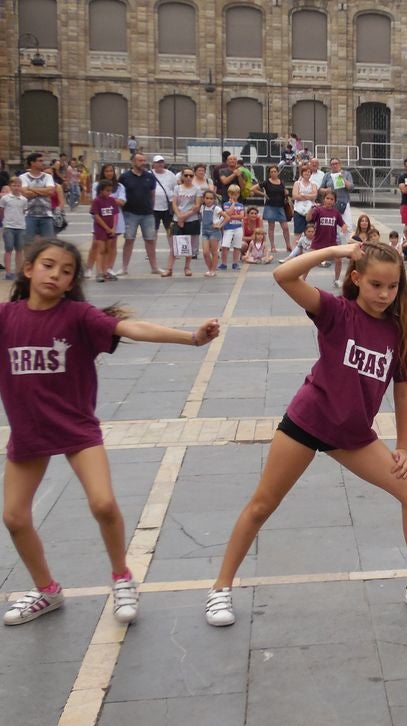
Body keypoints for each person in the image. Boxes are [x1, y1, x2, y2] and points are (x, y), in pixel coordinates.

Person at [205, 241, 407, 626]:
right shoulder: (336, 313)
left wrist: (403, 448)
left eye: (392, 287)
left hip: (354, 435)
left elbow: (404, 387)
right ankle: (220, 589)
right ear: (356, 279)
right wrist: (339, 250)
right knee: (262, 504)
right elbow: (283, 275)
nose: (384, 294)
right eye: (376, 285)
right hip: (309, 421)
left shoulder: (398, 330)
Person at [2, 239, 220, 626]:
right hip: (28, 433)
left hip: (76, 429)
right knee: (15, 518)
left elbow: (131, 327)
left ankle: (122, 577)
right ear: (28, 268)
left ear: (72, 282)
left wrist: (191, 338)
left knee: (102, 504)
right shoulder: (6, 317)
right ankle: (46, 590)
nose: (55, 274)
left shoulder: (78, 316)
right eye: (48, 266)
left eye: (66, 271)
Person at [162, 166, 201, 277]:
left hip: (191, 219)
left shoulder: (196, 189)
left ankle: (187, 267)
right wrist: (179, 216)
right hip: (177, 218)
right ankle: (169, 269)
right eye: (186, 175)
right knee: (174, 246)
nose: (188, 177)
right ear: (182, 176)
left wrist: (183, 217)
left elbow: (197, 206)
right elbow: (174, 203)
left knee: (189, 246)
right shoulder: (177, 188)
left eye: (191, 175)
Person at [307, 190, 347, 284]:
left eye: (331, 199)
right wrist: (310, 210)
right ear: (323, 199)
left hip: (331, 242)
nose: (329, 201)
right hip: (318, 241)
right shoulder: (318, 210)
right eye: (327, 198)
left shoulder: (336, 213)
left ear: (335, 201)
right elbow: (308, 219)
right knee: (308, 261)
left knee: (338, 260)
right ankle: (302, 278)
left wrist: (344, 228)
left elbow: (342, 224)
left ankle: (337, 280)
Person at [18, 153, 57, 246]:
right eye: (40, 161)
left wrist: (31, 188)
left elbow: (51, 191)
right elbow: (26, 194)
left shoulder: (48, 177)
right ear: (32, 163)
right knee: (28, 243)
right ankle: (28, 260)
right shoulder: (23, 177)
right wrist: (43, 190)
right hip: (29, 214)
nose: (42, 163)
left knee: (49, 243)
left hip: (46, 214)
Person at [87, 182, 120, 283]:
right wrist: (106, 228)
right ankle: (99, 272)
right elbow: (96, 216)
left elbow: (115, 213)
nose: (109, 193)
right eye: (107, 190)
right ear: (101, 190)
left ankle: (106, 271)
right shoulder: (97, 201)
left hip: (111, 228)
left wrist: (114, 227)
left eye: (110, 191)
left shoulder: (111, 200)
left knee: (108, 250)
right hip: (100, 229)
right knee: (100, 250)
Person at [150, 156, 179, 255]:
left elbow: (175, 189)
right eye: (157, 162)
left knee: (170, 230)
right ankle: (150, 252)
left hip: (168, 207)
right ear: (153, 163)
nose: (159, 164)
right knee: (153, 231)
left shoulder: (170, 174)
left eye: (161, 162)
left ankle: (173, 250)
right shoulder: (149, 174)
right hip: (153, 207)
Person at [215, 184, 245, 271]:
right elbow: (228, 213)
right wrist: (233, 205)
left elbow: (241, 216)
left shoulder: (240, 205)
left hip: (238, 227)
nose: (234, 196)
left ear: (238, 194)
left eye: (235, 194)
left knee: (237, 246)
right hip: (228, 228)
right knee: (225, 246)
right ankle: (224, 264)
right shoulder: (225, 204)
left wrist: (232, 216)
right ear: (229, 194)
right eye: (232, 194)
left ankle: (235, 263)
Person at [262, 165, 290, 253]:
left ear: (278, 172)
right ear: (269, 173)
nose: (273, 173)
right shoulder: (266, 182)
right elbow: (253, 189)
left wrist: (286, 192)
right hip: (270, 206)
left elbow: (284, 191)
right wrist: (263, 194)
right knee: (271, 227)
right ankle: (273, 246)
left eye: (275, 171)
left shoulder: (281, 182)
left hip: (280, 206)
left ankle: (288, 245)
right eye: (271, 172)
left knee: (285, 227)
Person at [322, 158, 354, 233]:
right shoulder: (327, 175)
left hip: (344, 203)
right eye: (332, 164)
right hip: (330, 204)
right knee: (332, 226)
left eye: (336, 163)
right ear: (330, 166)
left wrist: (344, 180)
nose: (334, 165)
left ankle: (346, 243)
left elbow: (351, 188)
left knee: (347, 226)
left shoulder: (346, 174)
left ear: (340, 164)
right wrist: (326, 190)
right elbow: (320, 189)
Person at [1, 184, 27, 278]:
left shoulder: (24, 199)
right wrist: (5, 222)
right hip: (8, 226)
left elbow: (24, 211)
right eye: (14, 185)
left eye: (18, 186)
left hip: (20, 226)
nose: (16, 188)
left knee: (19, 250)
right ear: (11, 187)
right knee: (8, 249)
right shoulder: (5, 198)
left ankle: (18, 271)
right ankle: (8, 272)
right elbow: (2, 211)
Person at [198, 189, 221, 277]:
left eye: (211, 198)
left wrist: (219, 224)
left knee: (214, 252)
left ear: (214, 199)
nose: (209, 200)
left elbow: (226, 216)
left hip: (214, 232)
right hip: (204, 232)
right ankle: (210, 268)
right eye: (207, 198)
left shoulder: (216, 208)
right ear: (203, 199)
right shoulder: (202, 208)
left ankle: (213, 270)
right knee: (205, 252)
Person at [291, 165, 319, 238]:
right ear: (302, 173)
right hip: (298, 211)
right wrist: (309, 196)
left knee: (311, 232)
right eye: (305, 171)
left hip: (310, 212)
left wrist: (302, 194)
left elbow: (314, 196)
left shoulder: (314, 184)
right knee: (298, 232)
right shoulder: (297, 183)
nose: (307, 173)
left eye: (309, 172)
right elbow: (295, 196)